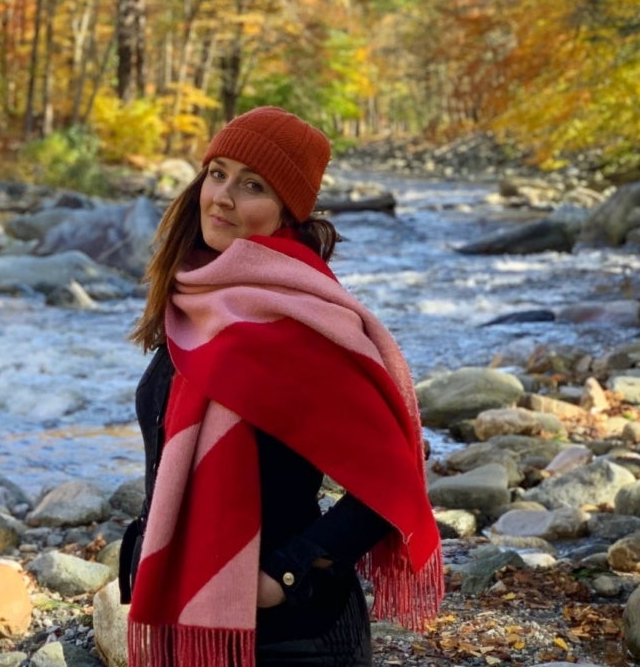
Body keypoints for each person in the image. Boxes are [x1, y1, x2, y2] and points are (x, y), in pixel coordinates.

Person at [117, 106, 442, 667]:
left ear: (287, 210)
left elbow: (395, 479)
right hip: (193, 620)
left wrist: (283, 574)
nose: (222, 197)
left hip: (294, 638)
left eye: (252, 185)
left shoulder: (301, 322)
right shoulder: (194, 299)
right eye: (217, 173)